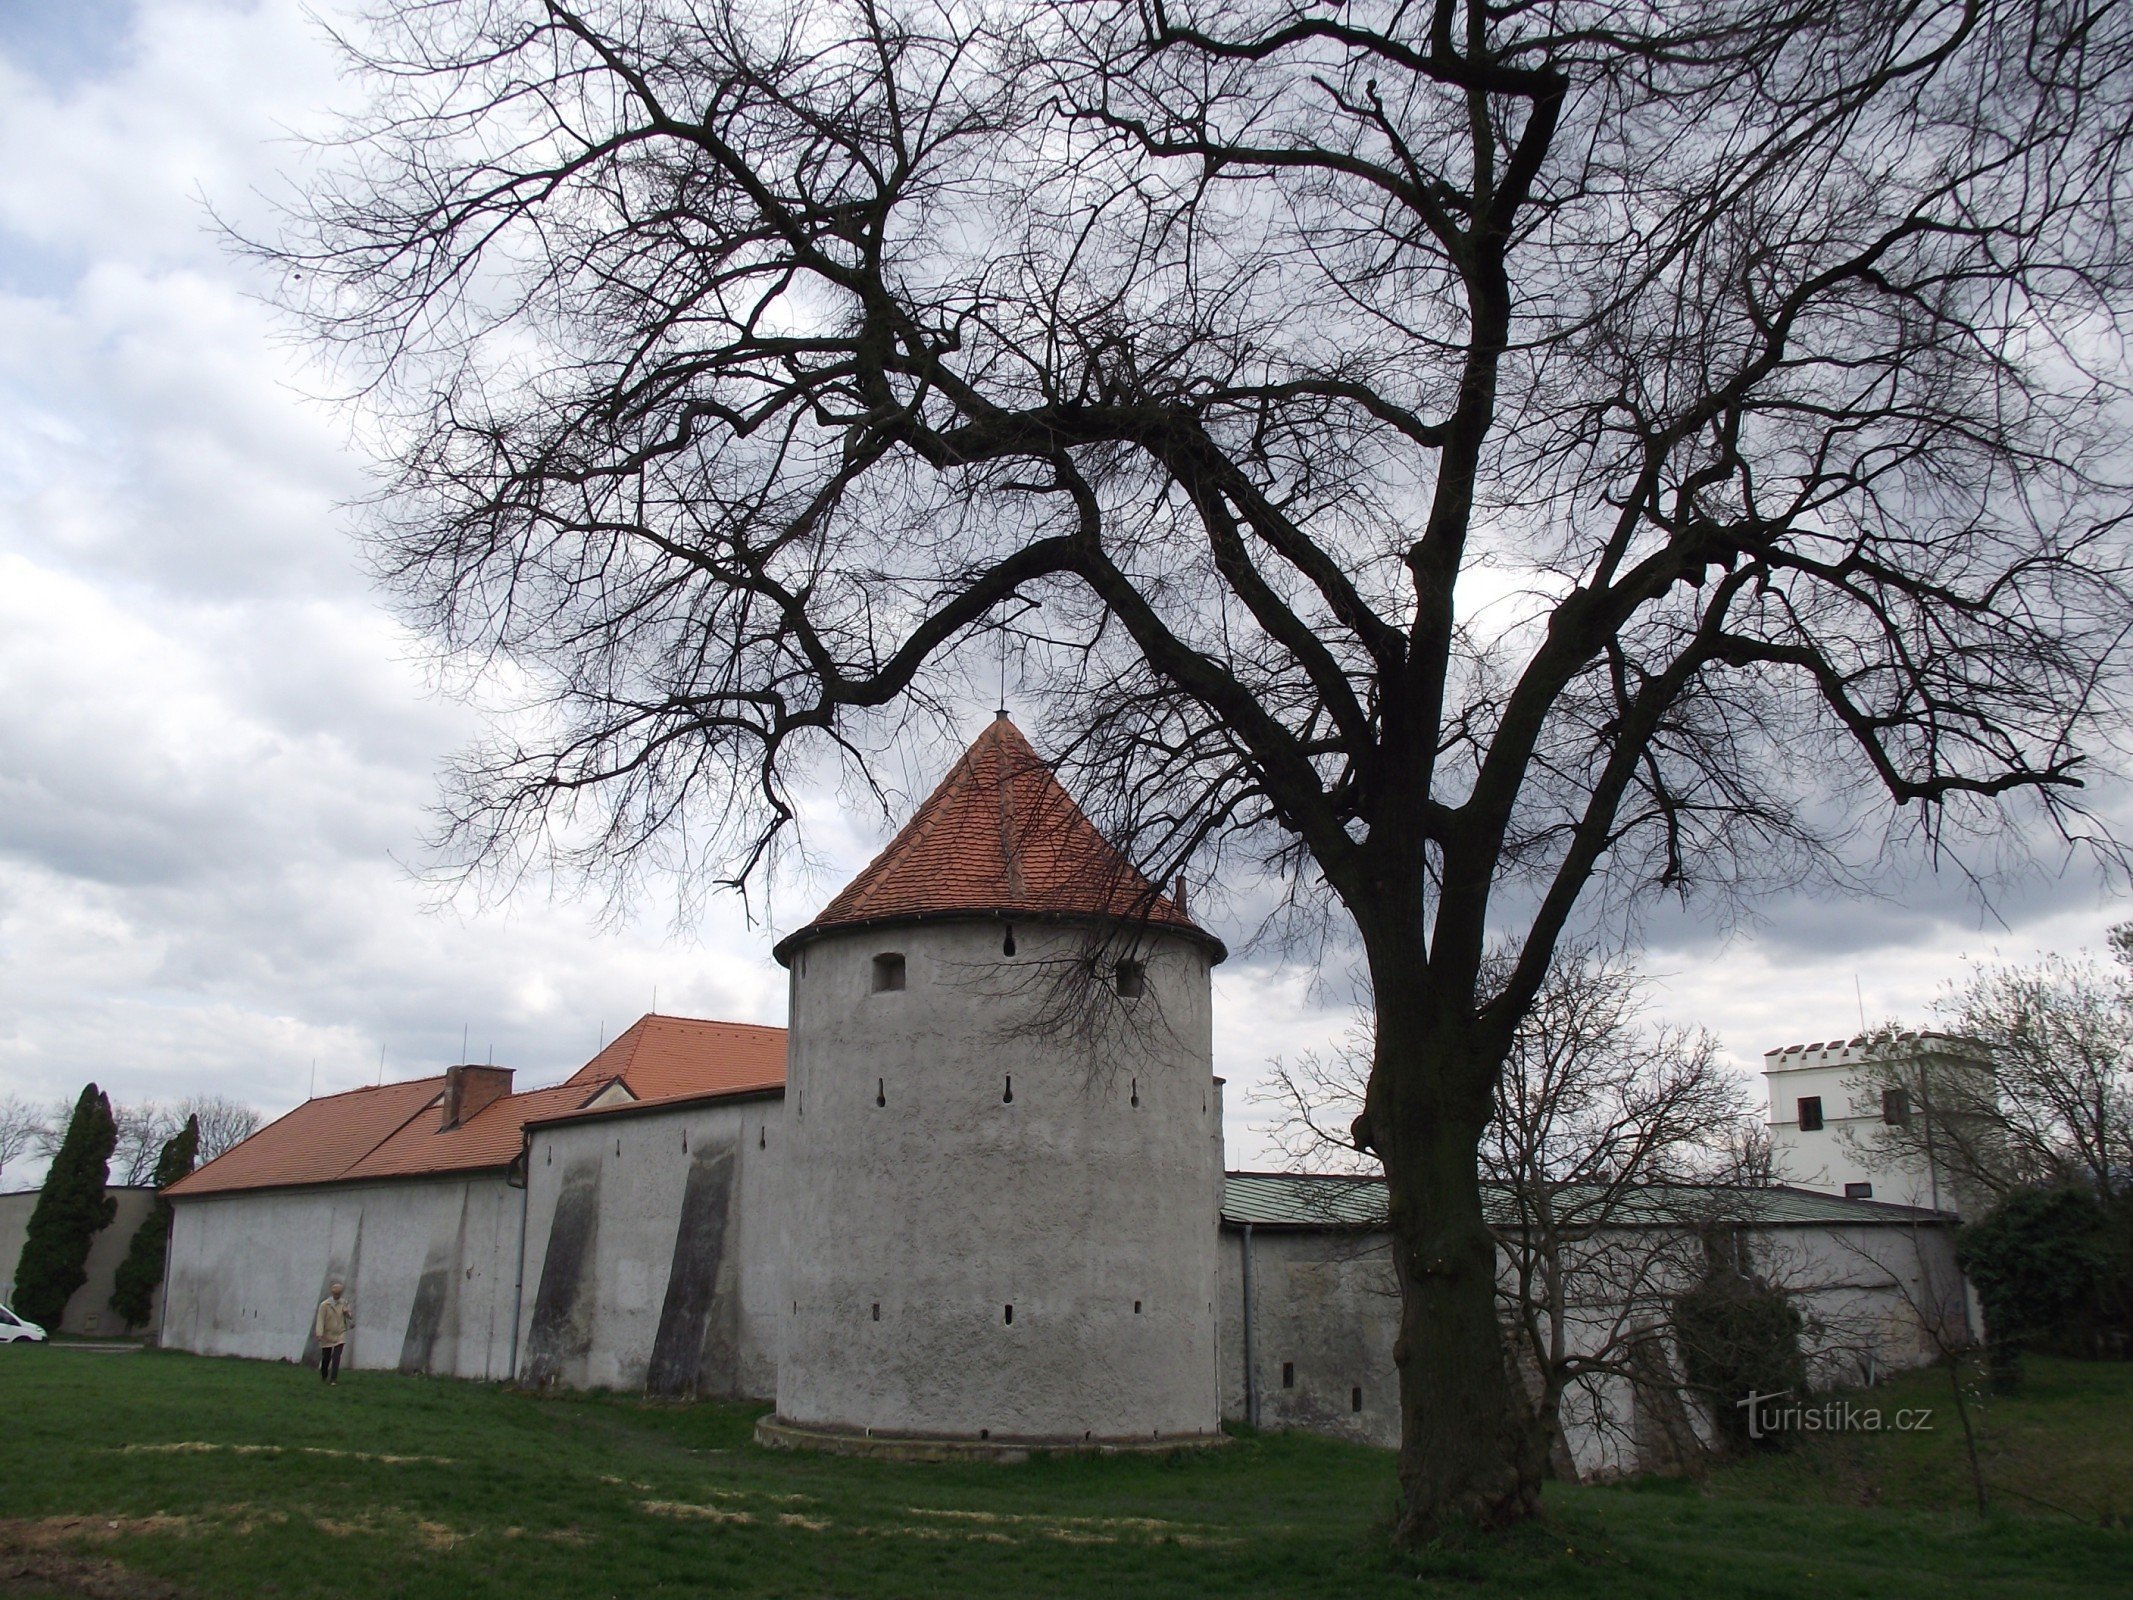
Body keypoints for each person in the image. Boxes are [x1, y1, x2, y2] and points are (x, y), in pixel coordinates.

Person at [313, 1281, 353, 1385]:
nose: (337, 1295)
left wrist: (347, 1313)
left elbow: (350, 1315)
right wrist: (319, 1333)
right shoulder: (324, 1305)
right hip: (327, 1334)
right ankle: (324, 1373)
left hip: (340, 1333)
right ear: (332, 1293)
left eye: (339, 1294)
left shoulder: (344, 1303)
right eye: (335, 1293)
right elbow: (320, 1319)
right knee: (326, 1357)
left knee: (336, 1357)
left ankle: (333, 1379)